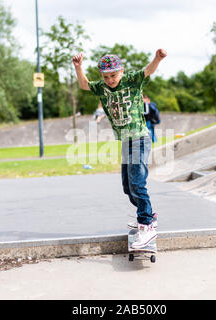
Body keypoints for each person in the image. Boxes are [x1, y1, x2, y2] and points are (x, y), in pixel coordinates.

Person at [72, 49, 167, 249]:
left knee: (137, 183)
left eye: (113, 76)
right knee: (127, 187)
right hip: (126, 141)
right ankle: (149, 214)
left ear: (121, 72)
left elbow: (148, 70)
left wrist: (157, 58)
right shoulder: (102, 88)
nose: (110, 80)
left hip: (140, 138)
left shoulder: (132, 80)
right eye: (106, 77)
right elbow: (84, 84)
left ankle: (146, 225)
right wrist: (79, 68)